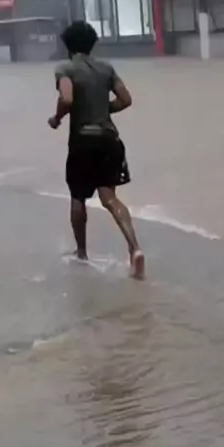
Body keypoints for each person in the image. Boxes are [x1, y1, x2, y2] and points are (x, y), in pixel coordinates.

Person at [48, 20, 145, 279]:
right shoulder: (106, 68)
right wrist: (103, 108)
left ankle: (81, 253)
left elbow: (67, 98)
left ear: (68, 46)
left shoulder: (65, 68)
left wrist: (57, 118)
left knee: (78, 198)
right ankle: (135, 249)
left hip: (83, 141)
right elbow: (126, 99)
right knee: (110, 198)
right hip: (110, 139)